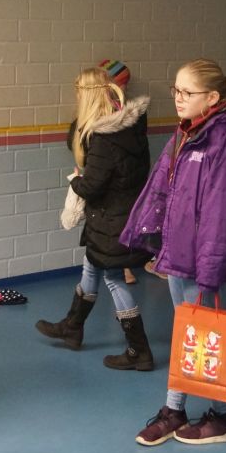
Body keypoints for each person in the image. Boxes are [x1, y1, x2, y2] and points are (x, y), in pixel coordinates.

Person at [121, 58, 226, 446]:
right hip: (180, 255)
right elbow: (161, 188)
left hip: (201, 261)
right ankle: (176, 410)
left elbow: (223, 213)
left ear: (212, 97)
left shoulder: (223, 143)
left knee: (203, 335)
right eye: (175, 90)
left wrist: (210, 271)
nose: (178, 98)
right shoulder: (186, 134)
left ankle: (223, 416)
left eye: (187, 92)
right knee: (186, 332)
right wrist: (150, 237)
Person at [36, 67, 154, 370]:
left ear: (86, 96)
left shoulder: (103, 138)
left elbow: (92, 187)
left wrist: (75, 180)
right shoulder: (132, 129)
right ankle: (72, 327)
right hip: (122, 214)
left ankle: (139, 350)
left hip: (111, 218)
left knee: (114, 279)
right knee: (91, 265)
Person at [98, 59, 138, 285]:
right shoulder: (100, 109)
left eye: (126, 83)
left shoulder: (127, 108)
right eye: (121, 83)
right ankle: (120, 267)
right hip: (107, 174)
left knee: (124, 220)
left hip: (124, 174)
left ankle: (124, 266)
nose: (124, 88)